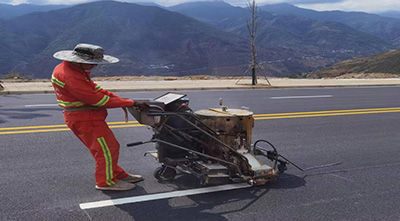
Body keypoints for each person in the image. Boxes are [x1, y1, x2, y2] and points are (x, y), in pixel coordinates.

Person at [51, 43, 144, 191]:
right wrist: (130, 102)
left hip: (84, 117)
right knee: (106, 149)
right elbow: (97, 100)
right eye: (92, 63)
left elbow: (95, 89)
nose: (94, 66)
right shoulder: (71, 75)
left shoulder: (70, 68)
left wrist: (122, 100)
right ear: (80, 61)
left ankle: (116, 173)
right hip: (85, 118)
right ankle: (106, 182)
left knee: (106, 148)